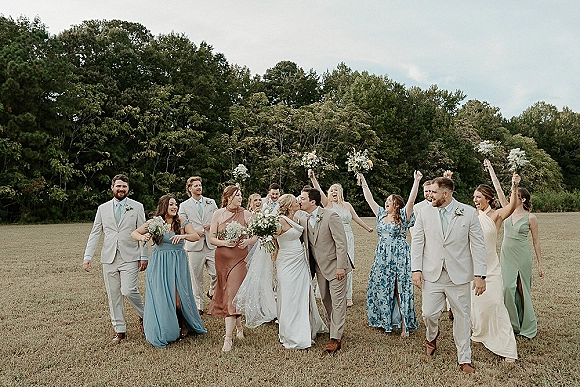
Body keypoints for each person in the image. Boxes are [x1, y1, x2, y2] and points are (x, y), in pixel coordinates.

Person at [411, 177, 487, 374]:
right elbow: (417, 241)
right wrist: (415, 269)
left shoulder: (469, 213)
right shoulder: (424, 212)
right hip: (431, 273)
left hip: (459, 276)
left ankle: (464, 358)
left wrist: (480, 275)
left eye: (434, 193)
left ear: (445, 194)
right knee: (428, 313)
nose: (430, 196)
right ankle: (431, 336)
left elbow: (478, 245)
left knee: (462, 316)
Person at [131, 195, 207, 348]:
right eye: (171, 204)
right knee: (163, 296)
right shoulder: (155, 222)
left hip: (178, 262)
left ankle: (184, 323)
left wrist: (182, 235)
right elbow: (134, 233)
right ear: (164, 206)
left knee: (179, 298)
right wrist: (143, 236)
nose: (174, 207)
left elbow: (194, 236)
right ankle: (167, 328)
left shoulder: (182, 221)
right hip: (159, 262)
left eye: (176, 204)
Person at [83, 174, 147, 344]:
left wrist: (144, 255)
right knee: (113, 295)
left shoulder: (137, 207)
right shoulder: (102, 208)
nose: (121, 189)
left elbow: (143, 232)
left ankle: (145, 315)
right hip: (109, 257)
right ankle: (120, 330)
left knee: (128, 290)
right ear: (112, 188)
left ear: (128, 189)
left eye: (124, 187)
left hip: (130, 256)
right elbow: (96, 232)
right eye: (118, 186)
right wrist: (88, 256)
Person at [485, 159, 544, 338]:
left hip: (522, 255)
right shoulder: (507, 210)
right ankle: (511, 324)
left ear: (523, 199)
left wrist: (540, 265)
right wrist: (491, 169)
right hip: (506, 254)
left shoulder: (531, 218)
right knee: (507, 288)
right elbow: (498, 189)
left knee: (521, 288)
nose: (512, 197)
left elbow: (536, 242)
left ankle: (526, 326)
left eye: (516, 195)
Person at [359, 171, 422, 337]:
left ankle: (404, 325)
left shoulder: (403, 215)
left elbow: (411, 200)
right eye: (386, 201)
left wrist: (416, 181)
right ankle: (385, 320)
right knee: (381, 287)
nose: (386, 202)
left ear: (397, 205)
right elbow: (369, 199)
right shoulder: (380, 214)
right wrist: (363, 180)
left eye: (389, 201)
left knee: (399, 289)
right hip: (382, 256)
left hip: (399, 256)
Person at [471, 171, 521, 362]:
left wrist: (515, 186)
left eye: (478, 197)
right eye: (474, 197)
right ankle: (479, 333)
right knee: (477, 305)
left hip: (491, 267)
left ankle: (507, 348)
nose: (475, 200)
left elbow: (513, 205)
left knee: (496, 304)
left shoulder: (497, 215)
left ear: (488, 198)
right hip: (473, 266)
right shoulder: (471, 215)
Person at [309, 169, 374, 307]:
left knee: (347, 266)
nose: (333, 192)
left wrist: (367, 228)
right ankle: (330, 293)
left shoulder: (347, 205)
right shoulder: (327, 205)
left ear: (340, 193)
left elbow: (356, 218)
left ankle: (347, 295)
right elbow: (318, 191)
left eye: (336, 190)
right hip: (332, 238)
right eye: (331, 190)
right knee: (333, 264)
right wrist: (314, 178)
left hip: (348, 237)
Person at [298, 187, 351, 353]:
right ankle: (333, 329)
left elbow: (341, 243)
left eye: (303, 198)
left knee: (338, 303)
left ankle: (335, 338)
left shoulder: (330, 216)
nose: (300, 201)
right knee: (326, 301)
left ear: (313, 202)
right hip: (319, 269)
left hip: (336, 267)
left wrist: (341, 266)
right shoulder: (304, 220)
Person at [274, 194, 327, 349]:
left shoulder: (298, 218)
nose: (298, 202)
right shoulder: (280, 221)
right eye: (296, 201)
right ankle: (292, 333)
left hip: (300, 261)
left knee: (302, 293)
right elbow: (271, 239)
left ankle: (308, 326)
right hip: (286, 261)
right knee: (290, 295)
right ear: (290, 206)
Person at [208, 185, 257, 352]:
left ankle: (227, 339)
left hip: (239, 258)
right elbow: (212, 238)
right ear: (228, 197)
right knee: (226, 292)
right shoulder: (217, 214)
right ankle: (239, 327)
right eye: (237, 195)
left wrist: (248, 241)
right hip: (221, 258)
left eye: (241, 195)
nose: (240, 198)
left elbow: (256, 234)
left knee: (232, 293)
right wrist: (224, 243)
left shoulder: (246, 214)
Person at [178, 176, 218, 314]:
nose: (199, 187)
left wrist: (212, 225)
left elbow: (218, 219)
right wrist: (194, 231)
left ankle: (212, 291)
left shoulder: (210, 202)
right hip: (194, 245)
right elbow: (181, 225)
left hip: (211, 243)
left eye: (200, 185)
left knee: (217, 273)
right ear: (189, 189)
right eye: (196, 186)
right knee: (196, 277)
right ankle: (199, 305)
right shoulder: (184, 205)